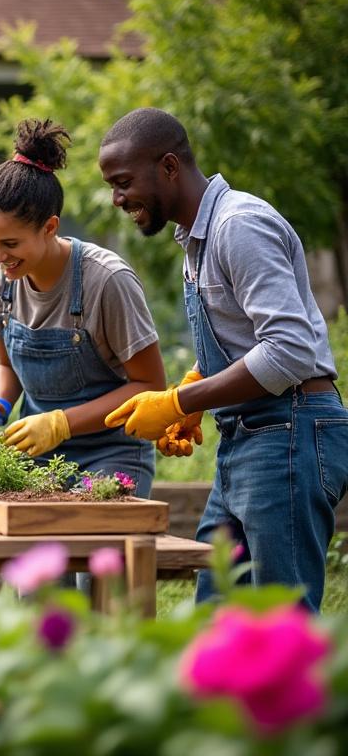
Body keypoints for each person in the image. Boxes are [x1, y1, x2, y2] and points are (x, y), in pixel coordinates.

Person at [100, 107, 348, 611]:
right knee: (215, 617)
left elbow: (291, 350)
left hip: (290, 434)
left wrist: (177, 400)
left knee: (283, 622)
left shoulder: (239, 225)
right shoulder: (197, 238)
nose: (117, 199)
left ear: (169, 166)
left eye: (124, 182)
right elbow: (248, 337)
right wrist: (199, 387)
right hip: (249, 440)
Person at [0, 119, 167, 500]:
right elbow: (6, 366)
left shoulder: (106, 280)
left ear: (50, 227)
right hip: (36, 459)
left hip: (112, 454)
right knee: (38, 562)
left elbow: (150, 386)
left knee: (96, 561)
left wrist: (61, 424)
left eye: (11, 243)